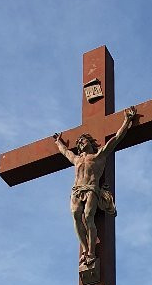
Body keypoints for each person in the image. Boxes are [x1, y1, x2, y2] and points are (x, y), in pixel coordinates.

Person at [53, 106, 136, 270]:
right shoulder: (77, 159)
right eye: (78, 143)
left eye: (82, 141)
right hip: (76, 191)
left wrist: (127, 120)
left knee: (88, 217)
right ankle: (85, 249)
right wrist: (58, 142)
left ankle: (91, 251)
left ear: (89, 143)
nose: (79, 144)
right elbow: (65, 152)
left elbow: (116, 139)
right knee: (76, 216)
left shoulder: (98, 155)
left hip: (91, 189)